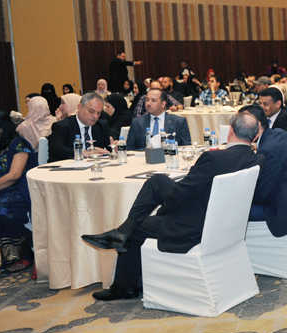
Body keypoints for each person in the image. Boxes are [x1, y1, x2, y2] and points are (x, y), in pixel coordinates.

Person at [82, 112, 265, 300]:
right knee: (158, 181)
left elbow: (179, 195)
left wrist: (164, 211)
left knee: (140, 226)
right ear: (255, 137)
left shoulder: (213, 158)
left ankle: (124, 285)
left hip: (193, 226)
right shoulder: (257, 160)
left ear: (230, 131)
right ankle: (121, 232)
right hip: (221, 221)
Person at [0, 110, 38, 274]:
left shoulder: (18, 144)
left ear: (2, 127)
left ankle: (19, 254)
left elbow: (14, 175)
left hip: (17, 189)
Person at [236, 105, 287, 238]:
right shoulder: (279, 134)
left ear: (257, 125)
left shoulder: (267, 150)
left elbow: (263, 196)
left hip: (277, 209)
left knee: (225, 207)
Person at [48, 92, 112, 162]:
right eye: (91, 111)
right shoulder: (63, 126)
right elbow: (56, 150)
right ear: (80, 107)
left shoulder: (102, 125)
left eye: (99, 113)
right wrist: (82, 153)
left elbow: (111, 145)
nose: (95, 116)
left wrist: (115, 147)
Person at [125, 89, 191, 151]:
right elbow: (129, 150)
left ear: (163, 104)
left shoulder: (179, 122)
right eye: (147, 100)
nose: (148, 103)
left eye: (153, 100)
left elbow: (186, 148)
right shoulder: (137, 122)